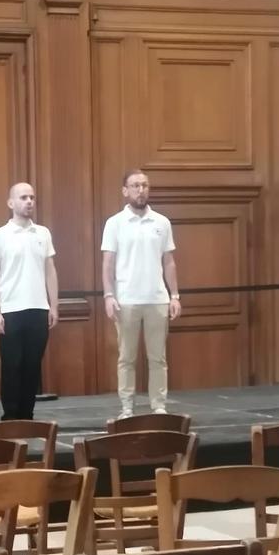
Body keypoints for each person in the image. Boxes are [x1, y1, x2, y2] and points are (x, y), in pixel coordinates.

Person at [100, 170, 181, 418]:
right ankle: (127, 406)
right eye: (135, 185)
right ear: (125, 191)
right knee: (127, 358)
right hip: (126, 300)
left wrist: (175, 295)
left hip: (157, 299)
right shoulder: (115, 223)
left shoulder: (161, 222)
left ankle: (159, 405)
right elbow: (108, 263)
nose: (140, 190)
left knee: (158, 358)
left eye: (144, 185)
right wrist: (108, 295)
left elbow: (169, 261)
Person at [0, 183, 58, 421]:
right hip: (11, 310)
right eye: (23, 197)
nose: (29, 201)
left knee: (32, 366)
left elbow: (50, 271)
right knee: (11, 366)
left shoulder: (43, 233)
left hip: (38, 308)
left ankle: (27, 416)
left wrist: (53, 305)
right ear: (11, 203)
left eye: (32, 197)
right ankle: (10, 416)